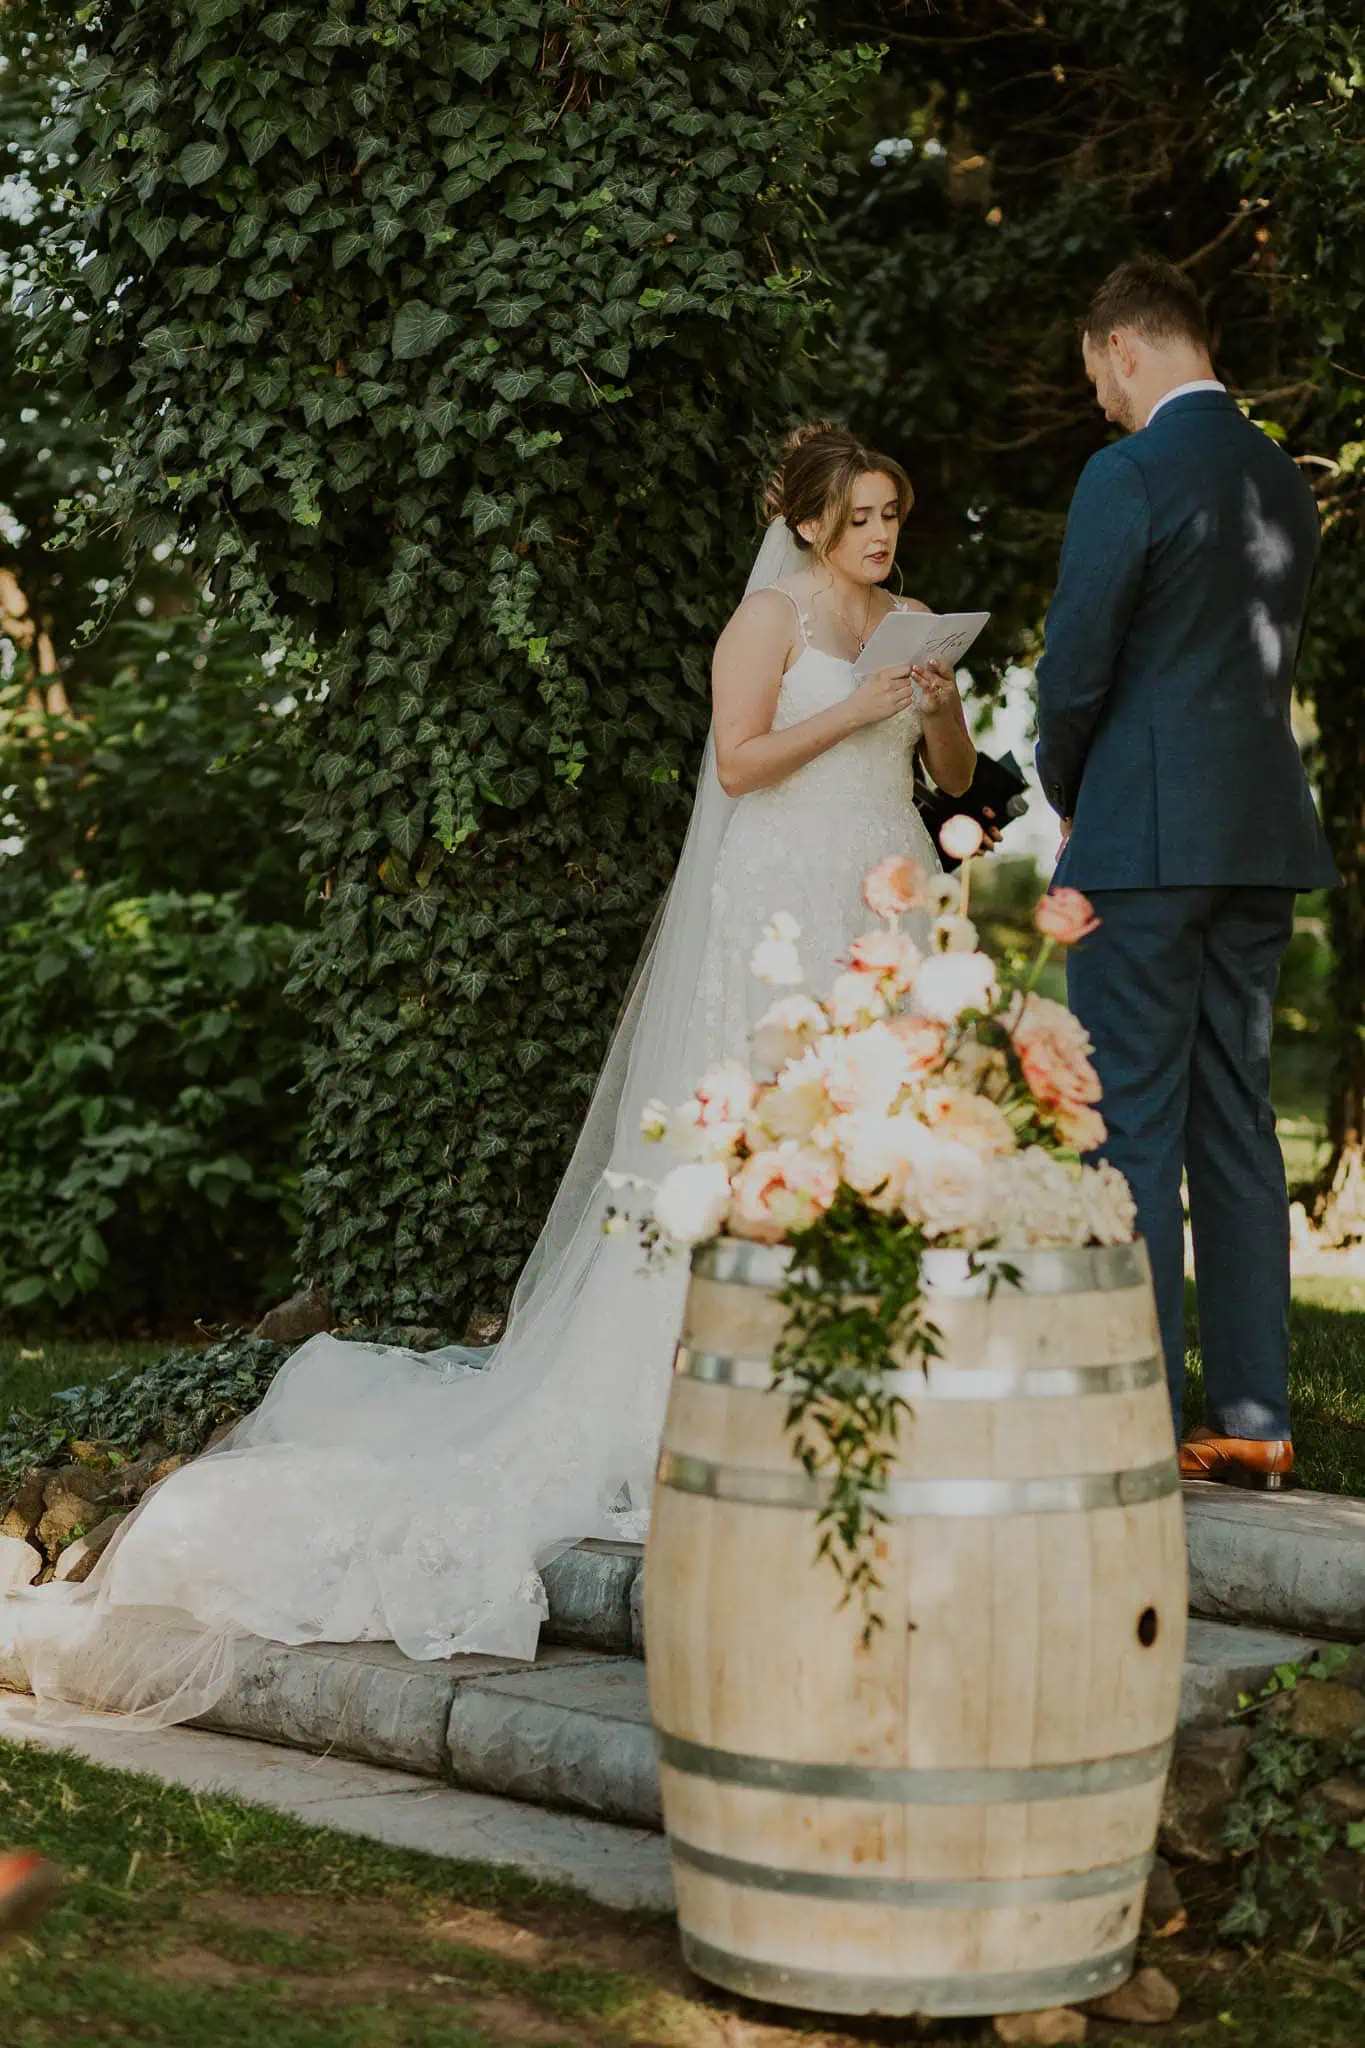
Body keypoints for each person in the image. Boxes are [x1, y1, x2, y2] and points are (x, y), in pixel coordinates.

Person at [7, 423, 973, 1723]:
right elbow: (738, 762)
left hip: (882, 894)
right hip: (775, 901)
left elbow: (952, 777)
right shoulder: (768, 620)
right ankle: (732, 1381)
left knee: (880, 1135)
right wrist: (856, 705)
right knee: (752, 1140)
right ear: (806, 523)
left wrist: (937, 709)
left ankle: (880, 1369)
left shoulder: (912, 622)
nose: (881, 534)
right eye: (859, 515)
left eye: (890, 513)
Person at [1036, 256, 1339, 1490]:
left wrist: (1071, 790)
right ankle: (1256, 1415)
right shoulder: (1284, 477)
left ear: (1123, 346)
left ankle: (1137, 1416)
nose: (1100, 400)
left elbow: (1075, 670)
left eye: (1096, 376)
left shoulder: (1127, 473)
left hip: (1144, 845)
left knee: (1128, 1125)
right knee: (1239, 1120)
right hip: (1258, 841)